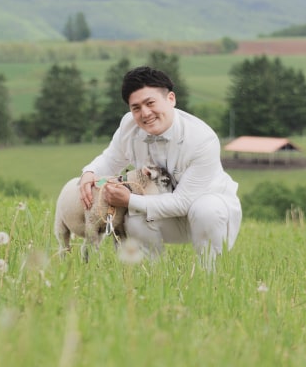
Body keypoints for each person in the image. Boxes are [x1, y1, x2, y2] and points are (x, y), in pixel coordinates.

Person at [79, 65, 241, 266]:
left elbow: (183, 202)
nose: (145, 113)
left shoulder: (203, 139)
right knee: (135, 218)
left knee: (205, 209)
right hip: (163, 213)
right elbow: (111, 159)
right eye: (135, 107)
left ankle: (212, 278)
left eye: (150, 103)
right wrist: (89, 173)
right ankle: (151, 277)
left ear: (171, 99)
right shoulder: (128, 125)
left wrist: (129, 199)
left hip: (209, 213)